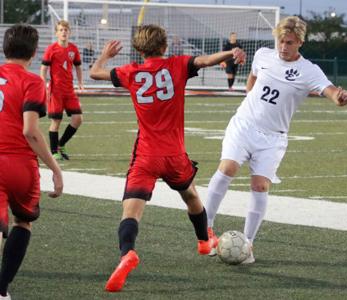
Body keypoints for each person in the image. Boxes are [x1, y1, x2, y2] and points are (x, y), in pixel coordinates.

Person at [90, 24, 245, 292]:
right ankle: (204, 241)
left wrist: (105, 55)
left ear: (138, 50)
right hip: (174, 155)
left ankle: (127, 252)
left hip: (146, 155)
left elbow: (94, 73)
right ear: (164, 47)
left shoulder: (131, 72)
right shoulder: (177, 65)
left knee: (131, 211)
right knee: (191, 196)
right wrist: (231, 53)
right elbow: (206, 60)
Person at [205, 16, 347, 264]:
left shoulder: (309, 70)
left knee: (260, 186)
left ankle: (247, 244)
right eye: (281, 41)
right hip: (244, 124)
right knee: (227, 167)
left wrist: (340, 98)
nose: (283, 47)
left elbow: (330, 92)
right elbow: (252, 79)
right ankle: (205, 231)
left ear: (301, 42)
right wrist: (252, 99)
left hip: (273, 137)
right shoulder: (263, 55)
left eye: (290, 42)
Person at [0, 24, 63, 300]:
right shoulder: (33, 82)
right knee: (23, 222)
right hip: (21, 164)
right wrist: (55, 168)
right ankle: (1, 290)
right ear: (35, 52)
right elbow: (29, 130)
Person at [40, 20, 84, 161]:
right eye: (61, 30)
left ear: (69, 32)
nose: (64, 32)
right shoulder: (51, 49)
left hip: (69, 90)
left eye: (66, 29)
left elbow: (77, 67)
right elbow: (44, 68)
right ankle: (54, 152)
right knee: (56, 122)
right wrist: (44, 83)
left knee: (78, 119)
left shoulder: (73, 49)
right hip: (56, 91)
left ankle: (61, 144)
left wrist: (80, 83)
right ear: (56, 33)